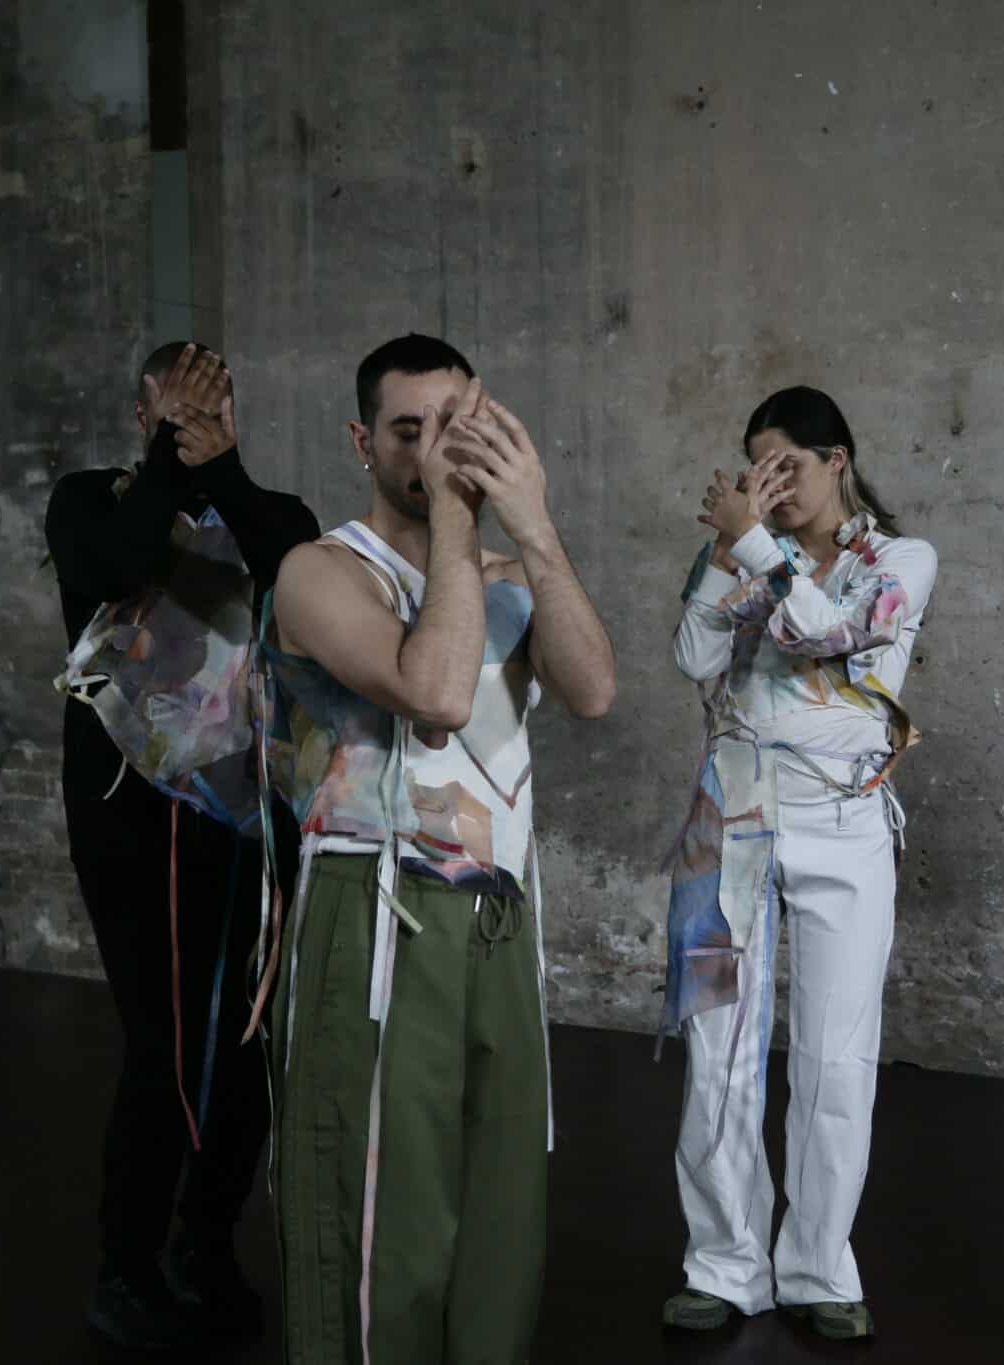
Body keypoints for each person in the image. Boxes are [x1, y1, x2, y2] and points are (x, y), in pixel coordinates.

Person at [261, 333, 615, 1363]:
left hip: (494, 913)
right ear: (362, 443)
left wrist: (535, 527)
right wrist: (461, 519)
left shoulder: (506, 569)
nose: (430, 452)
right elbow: (436, 695)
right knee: (380, 1212)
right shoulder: (320, 573)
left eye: (452, 426)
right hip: (368, 912)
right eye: (405, 430)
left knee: (499, 1203)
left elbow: (592, 692)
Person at [44, 343, 318, 1349]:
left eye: (211, 402)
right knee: (161, 1048)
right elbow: (111, 567)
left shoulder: (262, 511)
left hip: (246, 809)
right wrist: (168, 460)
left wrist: (221, 469)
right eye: (173, 403)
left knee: (243, 1046)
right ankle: (124, 1265)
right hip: (131, 807)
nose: (192, 415)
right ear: (138, 411)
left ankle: (204, 1243)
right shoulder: (90, 500)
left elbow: (295, 571)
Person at [658, 385, 937, 1342]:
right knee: (717, 1052)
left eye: (788, 465)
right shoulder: (737, 553)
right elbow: (694, 654)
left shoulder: (897, 562)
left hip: (845, 819)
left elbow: (825, 634)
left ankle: (819, 1265)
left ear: (837, 461)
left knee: (835, 1055)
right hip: (727, 816)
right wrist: (726, 552)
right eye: (756, 467)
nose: (771, 486)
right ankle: (723, 1262)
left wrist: (754, 546)